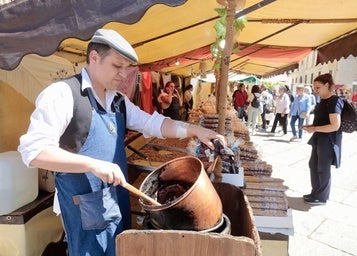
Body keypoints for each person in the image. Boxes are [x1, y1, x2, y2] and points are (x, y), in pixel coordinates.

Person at [17, 29, 226, 256]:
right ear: (94, 57)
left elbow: (153, 124)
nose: (124, 75)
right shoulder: (62, 94)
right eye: (117, 66)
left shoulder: (118, 101)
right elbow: (34, 151)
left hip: (117, 201)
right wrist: (93, 165)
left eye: (127, 68)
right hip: (86, 210)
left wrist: (196, 130)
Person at [302, 73, 343, 205]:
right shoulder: (324, 100)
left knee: (322, 168)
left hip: (328, 140)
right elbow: (322, 121)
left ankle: (322, 197)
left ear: (327, 85)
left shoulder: (334, 101)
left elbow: (335, 126)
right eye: (315, 87)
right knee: (313, 165)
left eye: (318, 87)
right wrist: (312, 126)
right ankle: (315, 192)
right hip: (320, 138)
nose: (316, 90)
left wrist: (314, 129)